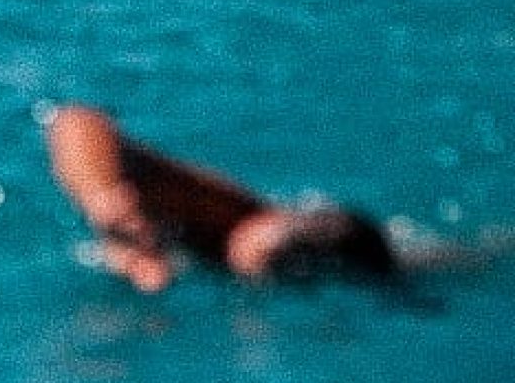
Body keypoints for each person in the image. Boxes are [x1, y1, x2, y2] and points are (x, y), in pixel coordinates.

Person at [45, 104, 400, 292]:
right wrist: (108, 204)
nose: (247, 255)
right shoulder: (228, 213)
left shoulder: (233, 249)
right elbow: (74, 121)